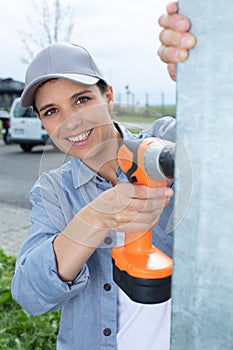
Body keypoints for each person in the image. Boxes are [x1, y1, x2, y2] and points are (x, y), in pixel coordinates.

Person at [12, 2, 195, 349]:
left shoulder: (167, 142)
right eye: (52, 111)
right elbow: (30, 294)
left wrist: (206, 72)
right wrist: (94, 218)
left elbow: (220, 147)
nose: (71, 121)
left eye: (81, 100)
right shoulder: (53, 191)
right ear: (43, 123)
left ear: (108, 96)